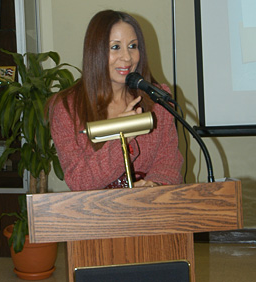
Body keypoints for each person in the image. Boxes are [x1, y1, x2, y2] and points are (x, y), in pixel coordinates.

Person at [48, 9, 183, 191]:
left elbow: (169, 164)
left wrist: (154, 185)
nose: (127, 57)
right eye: (115, 47)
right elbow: (79, 181)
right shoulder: (67, 107)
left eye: (133, 46)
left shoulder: (157, 99)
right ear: (95, 51)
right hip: (98, 216)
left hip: (150, 211)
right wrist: (123, 139)